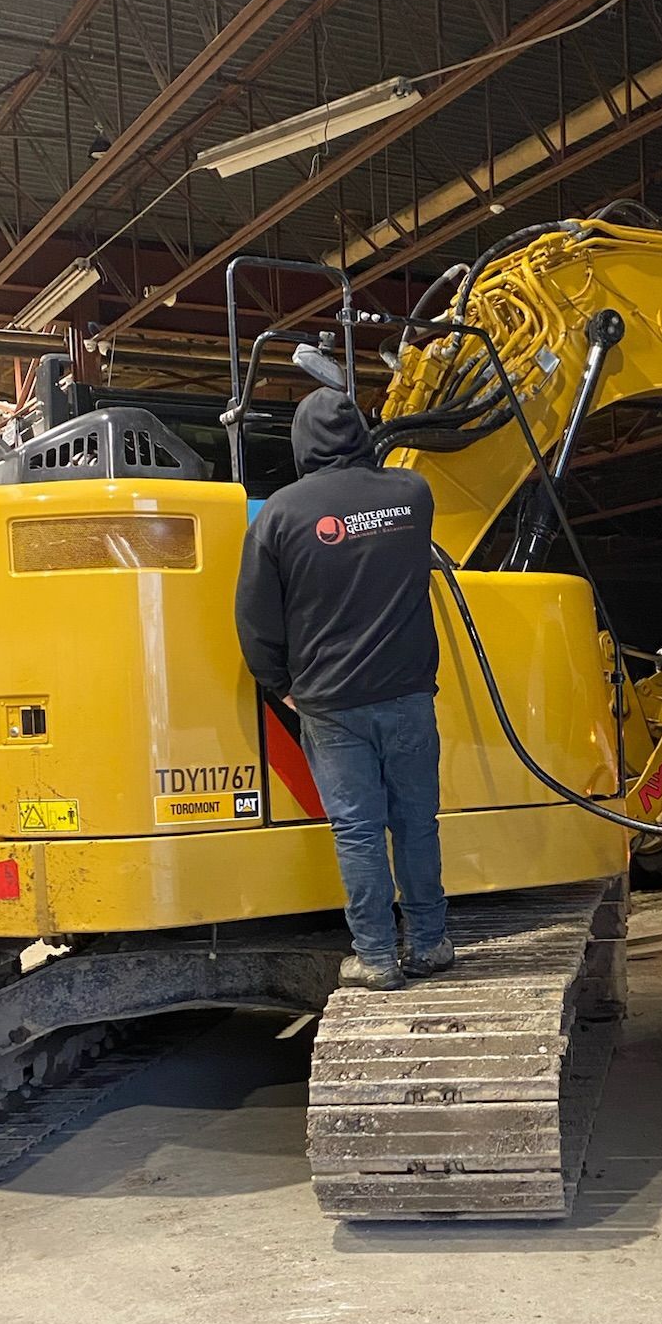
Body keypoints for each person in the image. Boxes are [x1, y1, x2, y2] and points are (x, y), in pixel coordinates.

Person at [235, 386, 453, 992]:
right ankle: (431, 944)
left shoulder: (278, 515)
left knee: (357, 830)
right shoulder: (412, 495)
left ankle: (378, 957)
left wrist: (282, 687)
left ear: (302, 443)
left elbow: (255, 620)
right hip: (408, 692)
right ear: (362, 434)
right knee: (416, 821)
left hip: (330, 703)